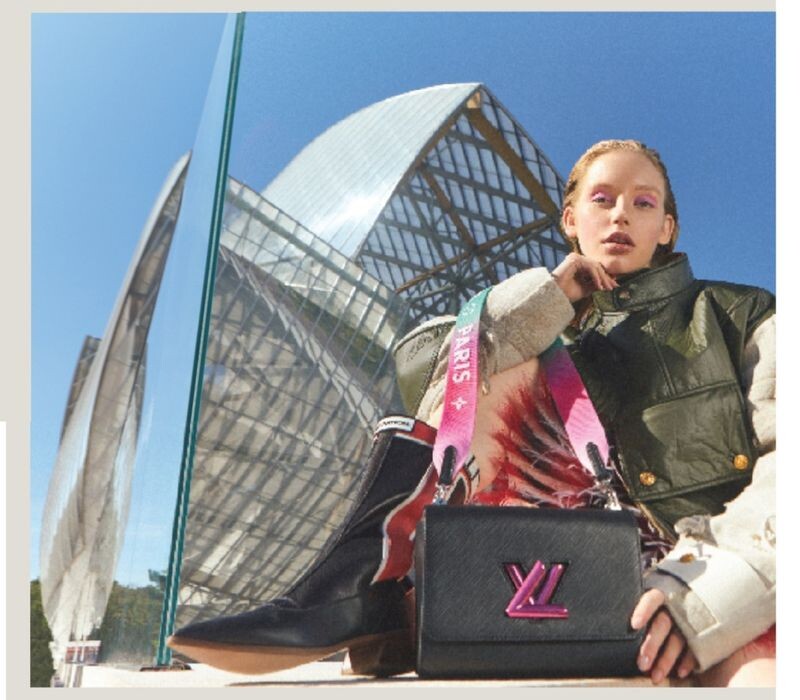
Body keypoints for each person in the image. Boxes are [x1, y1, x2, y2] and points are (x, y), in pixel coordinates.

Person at [399, 139, 775, 687]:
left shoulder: (742, 314)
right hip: (543, 597)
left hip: (707, 589)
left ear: (666, 228)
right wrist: (548, 297)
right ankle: (362, 593)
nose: (621, 214)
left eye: (643, 203)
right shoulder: (541, 344)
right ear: (571, 220)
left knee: (762, 678)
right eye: (603, 198)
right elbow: (442, 407)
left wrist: (714, 591)